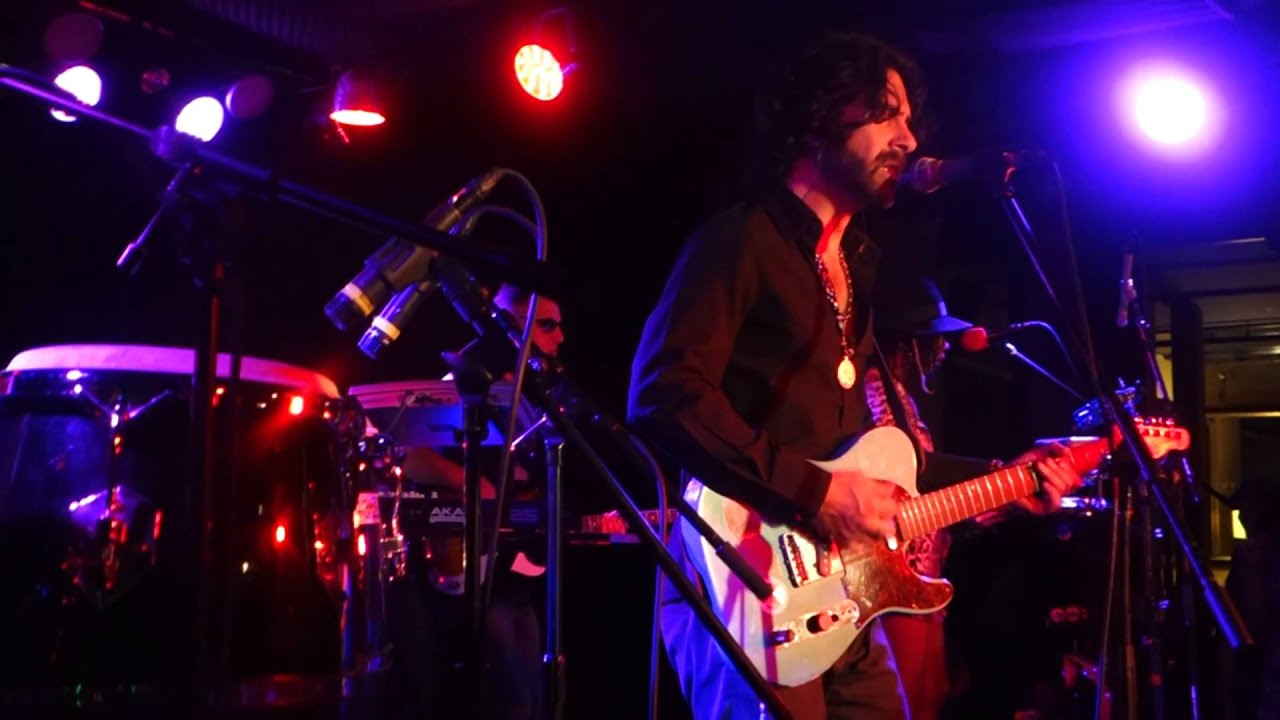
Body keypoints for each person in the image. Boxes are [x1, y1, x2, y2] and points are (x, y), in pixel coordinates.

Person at [627, 31, 1082, 720]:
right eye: (885, 113)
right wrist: (817, 494)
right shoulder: (742, 239)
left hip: (839, 591)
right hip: (742, 576)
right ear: (819, 117)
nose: (909, 139)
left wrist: (1005, 477)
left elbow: (874, 462)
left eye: (909, 119)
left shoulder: (856, 265)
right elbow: (664, 395)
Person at [388, 284, 564, 720]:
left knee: (532, 700)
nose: (560, 338)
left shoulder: (531, 397)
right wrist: (471, 484)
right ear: (512, 325)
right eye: (547, 326)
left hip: (516, 575)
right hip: (473, 578)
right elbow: (406, 452)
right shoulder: (464, 385)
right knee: (508, 701)